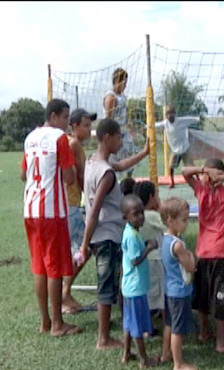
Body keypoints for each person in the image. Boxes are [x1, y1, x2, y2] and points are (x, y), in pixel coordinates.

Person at [80, 118, 149, 350]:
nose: (121, 141)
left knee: (113, 284)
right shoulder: (107, 174)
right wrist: (84, 243)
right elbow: (95, 210)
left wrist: (144, 153)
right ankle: (103, 338)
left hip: (102, 235)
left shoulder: (94, 162)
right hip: (106, 236)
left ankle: (121, 330)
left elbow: (120, 165)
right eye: (119, 137)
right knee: (107, 287)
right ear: (107, 137)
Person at [21, 98, 83, 337]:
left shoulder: (29, 137)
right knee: (55, 266)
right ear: (55, 116)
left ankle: (46, 321)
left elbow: (23, 172)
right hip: (51, 210)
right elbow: (68, 178)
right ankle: (58, 324)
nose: (68, 123)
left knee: (39, 266)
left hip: (30, 208)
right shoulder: (60, 139)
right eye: (66, 117)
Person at [182, 159, 224, 353]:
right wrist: (205, 170)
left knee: (216, 296)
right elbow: (185, 171)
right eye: (208, 175)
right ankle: (210, 334)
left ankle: (218, 338)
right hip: (211, 254)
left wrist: (223, 178)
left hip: (215, 253)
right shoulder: (201, 190)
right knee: (208, 295)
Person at [62, 108, 96, 314]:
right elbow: (82, 177)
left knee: (75, 250)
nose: (89, 129)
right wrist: (94, 203)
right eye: (86, 125)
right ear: (74, 126)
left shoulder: (66, 141)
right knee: (86, 247)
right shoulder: (74, 144)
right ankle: (65, 292)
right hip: (72, 205)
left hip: (66, 205)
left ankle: (64, 293)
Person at [120, 194, 159, 367]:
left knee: (129, 323)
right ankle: (144, 359)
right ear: (125, 217)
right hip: (135, 289)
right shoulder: (131, 236)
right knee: (136, 327)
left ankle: (127, 353)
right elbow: (136, 260)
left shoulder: (133, 231)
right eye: (136, 214)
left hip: (130, 287)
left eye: (142, 212)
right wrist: (149, 248)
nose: (141, 217)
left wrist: (146, 242)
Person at [160, 197, 198, 370]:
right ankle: (178, 363)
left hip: (170, 290)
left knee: (169, 323)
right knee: (178, 329)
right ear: (171, 221)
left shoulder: (164, 239)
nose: (187, 223)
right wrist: (191, 254)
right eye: (184, 220)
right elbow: (191, 267)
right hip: (180, 292)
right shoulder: (178, 245)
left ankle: (166, 352)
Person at [133, 180, 168, 335]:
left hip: (144, 260)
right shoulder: (152, 215)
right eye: (157, 195)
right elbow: (170, 227)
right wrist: (161, 207)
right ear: (151, 196)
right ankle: (168, 323)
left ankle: (148, 327)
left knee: (147, 293)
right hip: (155, 260)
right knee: (161, 295)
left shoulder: (136, 217)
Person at [155, 103, 198, 188]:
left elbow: (190, 119)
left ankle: (198, 180)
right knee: (171, 166)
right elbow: (157, 124)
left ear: (175, 114)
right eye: (168, 114)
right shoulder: (165, 124)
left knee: (191, 167)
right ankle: (172, 182)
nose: (170, 116)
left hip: (185, 148)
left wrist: (197, 119)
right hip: (175, 150)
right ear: (166, 115)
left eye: (172, 114)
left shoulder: (180, 121)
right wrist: (148, 125)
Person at [103, 67, 135, 178]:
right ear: (117, 81)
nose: (125, 85)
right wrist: (115, 137)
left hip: (124, 133)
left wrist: (129, 128)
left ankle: (129, 182)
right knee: (113, 164)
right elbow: (109, 120)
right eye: (124, 82)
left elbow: (124, 116)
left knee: (130, 160)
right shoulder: (111, 97)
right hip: (115, 134)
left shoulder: (123, 97)